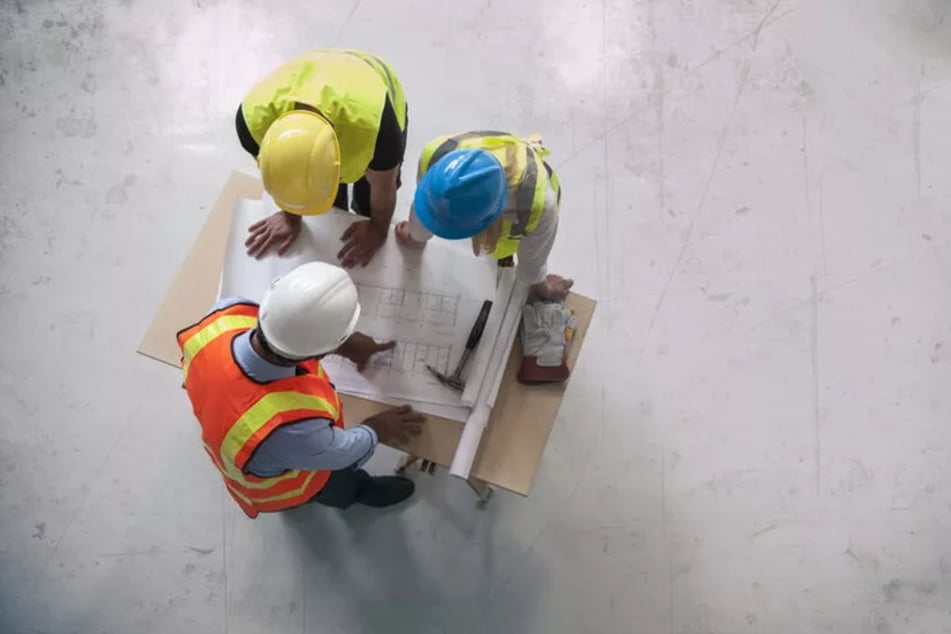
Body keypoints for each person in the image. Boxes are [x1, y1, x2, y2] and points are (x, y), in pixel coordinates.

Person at [176, 262, 424, 518]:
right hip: (287, 481)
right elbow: (342, 455)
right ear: (322, 352)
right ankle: (358, 492)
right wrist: (377, 428)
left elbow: (283, 334)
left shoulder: (226, 313)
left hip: (237, 431)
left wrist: (340, 344)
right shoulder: (290, 430)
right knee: (336, 485)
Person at [236, 49, 408, 268]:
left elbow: (384, 188)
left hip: (372, 90)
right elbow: (286, 175)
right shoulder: (252, 123)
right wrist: (291, 214)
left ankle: (363, 213)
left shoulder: (377, 133)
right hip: (317, 76)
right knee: (328, 203)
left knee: (368, 198)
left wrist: (378, 228)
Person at [395, 131, 573, 301]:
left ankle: (503, 258)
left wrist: (544, 290)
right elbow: (427, 202)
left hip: (520, 221)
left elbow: (532, 263)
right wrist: (416, 236)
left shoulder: (539, 206)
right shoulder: (435, 154)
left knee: (501, 251)